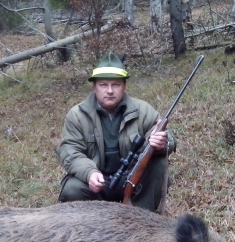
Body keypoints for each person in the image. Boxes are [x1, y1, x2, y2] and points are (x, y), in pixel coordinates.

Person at [57, 53, 175, 212]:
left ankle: (141, 220)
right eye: (103, 85)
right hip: (97, 182)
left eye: (116, 85)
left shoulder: (143, 110)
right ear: (94, 87)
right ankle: (90, 227)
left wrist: (161, 142)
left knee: (159, 164)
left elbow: (169, 138)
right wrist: (89, 173)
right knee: (72, 188)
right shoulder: (77, 115)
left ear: (124, 86)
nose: (110, 91)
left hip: (133, 179)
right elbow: (69, 151)